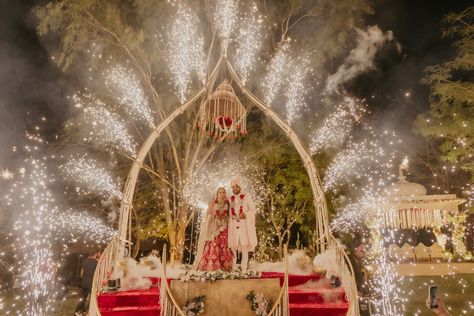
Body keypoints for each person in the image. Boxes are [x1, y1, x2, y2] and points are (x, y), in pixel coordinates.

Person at [194, 187, 234, 271]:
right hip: (214, 227)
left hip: (223, 228)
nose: (222, 194)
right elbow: (207, 215)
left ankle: (225, 268)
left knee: (224, 246)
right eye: (220, 192)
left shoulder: (228, 204)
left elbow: (229, 216)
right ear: (217, 194)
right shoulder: (213, 204)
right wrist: (213, 217)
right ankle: (211, 267)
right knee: (213, 244)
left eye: (223, 192)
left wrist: (224, 223)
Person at [228, 176, 257, 271]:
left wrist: (245, 214)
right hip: (233, 226)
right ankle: (233, 268)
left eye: (236, 186)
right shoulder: (230, 198)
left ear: (240, 186)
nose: (235, 189)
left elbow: (253, 210)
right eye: (233, 187)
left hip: (244, 226)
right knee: (233, 248)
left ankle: (244, 269)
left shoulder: (246, 196)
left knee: (244, 248)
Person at [74, 250, 101, 316]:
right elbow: (98, 274)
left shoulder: (84, 262)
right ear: (96, 254)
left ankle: (77, 311)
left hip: (84, 283)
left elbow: (81, 274)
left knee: (83, 299)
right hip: (92, 283)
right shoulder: (97, 262)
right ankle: (84, 311)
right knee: (93, 300)